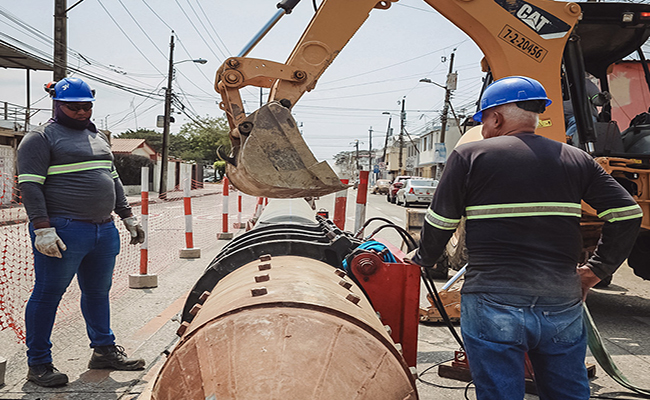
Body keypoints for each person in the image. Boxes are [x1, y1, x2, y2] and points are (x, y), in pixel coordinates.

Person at [410, 76, 643, 399]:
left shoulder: (469, 157)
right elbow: (628, 214)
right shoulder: (576, 159)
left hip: (492, 300)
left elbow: (441, 221)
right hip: (561, 300)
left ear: (496, 117)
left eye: (484, 122)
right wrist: (595, 272)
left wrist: (421, 258)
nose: (485, 130)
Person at [17, 77, 147, 387]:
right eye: (74, 107)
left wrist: (127, 216)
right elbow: (30, 186)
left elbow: (112, 178)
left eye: (86, 106)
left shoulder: (99, 137)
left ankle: (103, 350)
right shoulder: (40, 138)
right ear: (57, 105)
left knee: (98, 293)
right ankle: (38, 364)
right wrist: (42, 228)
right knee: (48, 295)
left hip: (104, 230)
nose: (81, 112)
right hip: (64, 230)